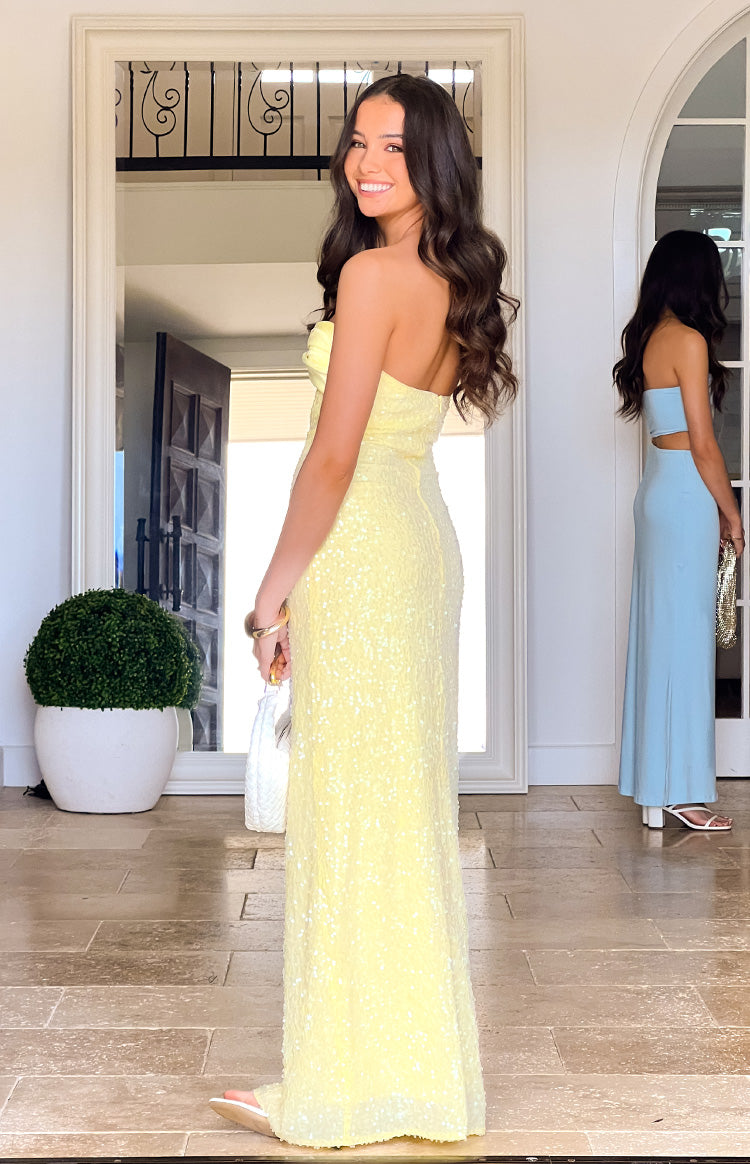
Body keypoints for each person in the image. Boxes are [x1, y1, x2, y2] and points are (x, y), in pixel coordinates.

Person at [208, 73, 518, 1148]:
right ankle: (420, 1083)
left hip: (363, 554)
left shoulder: (377, 274)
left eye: (393, 145)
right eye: (356, 142)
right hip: (419, 543)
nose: (367, 161)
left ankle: (343, 1088)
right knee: (405, 815)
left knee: (350, 819)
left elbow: (333, 457)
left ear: (433, 161)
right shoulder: (442, 277)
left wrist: (267, 597)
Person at [615, 229, 741, 832]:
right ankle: (682, 790)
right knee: (684, 642)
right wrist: (733, 513)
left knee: (658, 636)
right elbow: (705, 444)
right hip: (686, 490)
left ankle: (654, 789)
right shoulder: (688, 341)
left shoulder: (650, 340)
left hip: (658, 491)